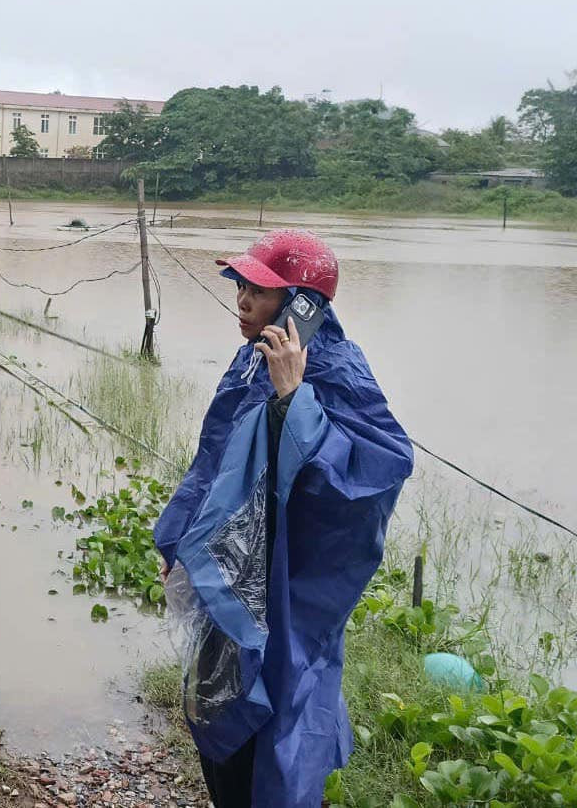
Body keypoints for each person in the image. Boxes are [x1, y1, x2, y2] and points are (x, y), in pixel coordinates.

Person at [153, 229, 413, 808]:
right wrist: (178, 542)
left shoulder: (336, 370)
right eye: (242, 286)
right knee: (215, 704)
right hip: (231, 577)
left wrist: (297, 401)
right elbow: (214, 458)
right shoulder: (254, 359)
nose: (242, 301)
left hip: (287, 589)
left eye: (259, 291)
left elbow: (380, 468)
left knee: (277, 721)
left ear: (304, 304)